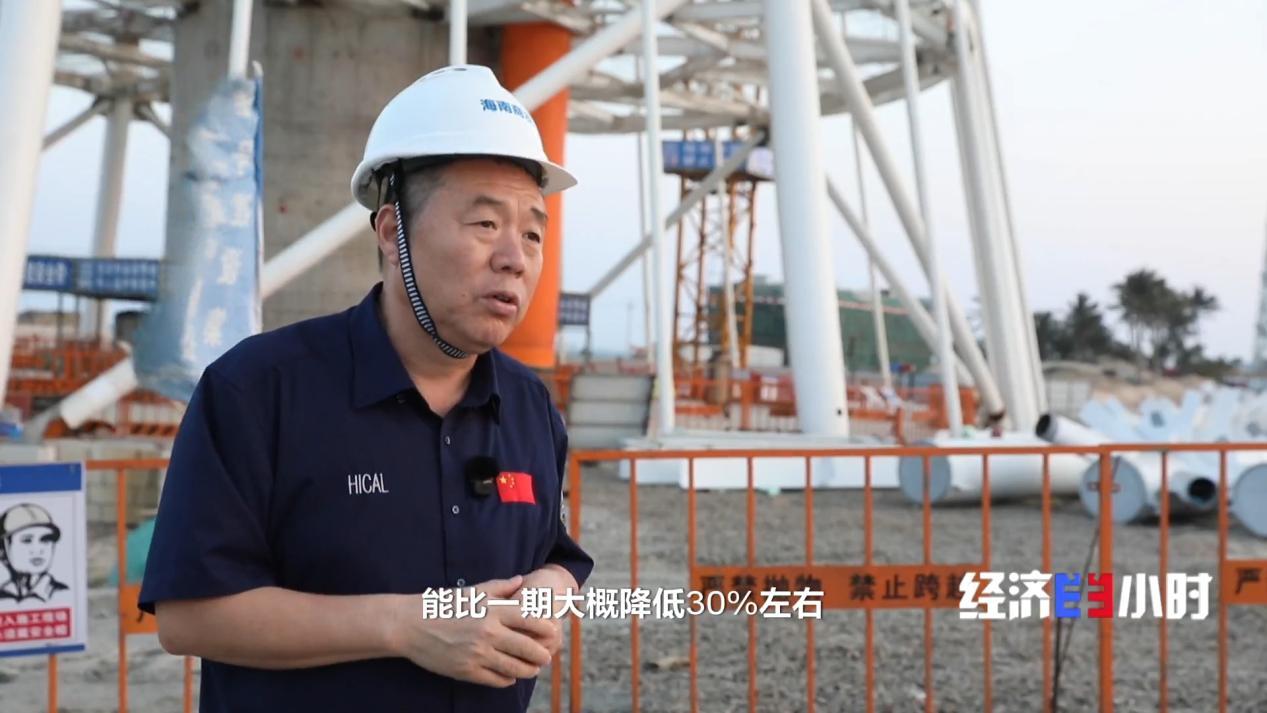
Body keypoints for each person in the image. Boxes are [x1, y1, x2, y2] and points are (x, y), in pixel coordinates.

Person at [139, 64, 593, 713]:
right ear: (390, 231)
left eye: (532, 233)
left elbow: (555, 553)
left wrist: (549, 587)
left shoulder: (529, 406)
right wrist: (405, 625)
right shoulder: (258, 389)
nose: (514, 259)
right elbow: (189, 616)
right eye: (485, 224)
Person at [0, 503, 70, 603]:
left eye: (45, 540)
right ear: (3, 550)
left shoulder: (63, 593)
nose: (38, 549)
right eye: (27, 540)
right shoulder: (3, 594)